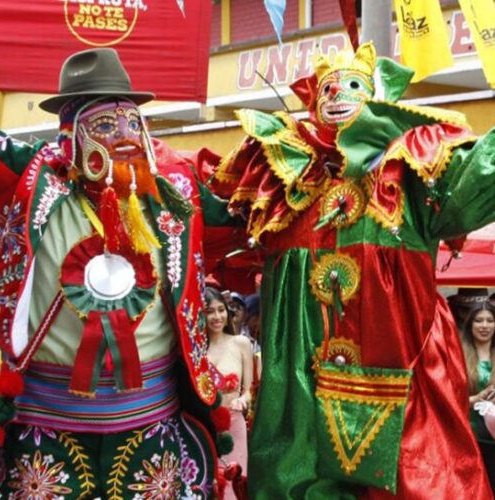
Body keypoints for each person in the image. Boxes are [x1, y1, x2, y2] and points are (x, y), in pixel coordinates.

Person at [212, 42, 495, 498]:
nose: (337, 95)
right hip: (299, 405)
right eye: (327, 88)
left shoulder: (411, 173)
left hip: (406, 387)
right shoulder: (284, 184)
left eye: (353, 85)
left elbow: (478, 179)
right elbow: (206, 215)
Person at [0, 48, 231, 498]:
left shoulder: (174, 194)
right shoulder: (32, 179)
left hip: (151, 424)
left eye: (132, 122)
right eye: (105, 124)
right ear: (71, 133)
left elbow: (253, 224)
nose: (123, 134)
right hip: (46, 423)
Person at [204, 287, 253, 500]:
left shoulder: (240, 343)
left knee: (235, 487)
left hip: (234, 425)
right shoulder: (194, 350)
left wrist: (243, 400)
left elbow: (249, 390)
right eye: (210, 311)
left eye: (221, 310)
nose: (217, 317)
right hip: (203, 427)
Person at [461, 302, 495, 493]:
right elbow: (448, 401)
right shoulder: (458, 355)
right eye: (479, 320)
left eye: (490, 321)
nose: (484, 325)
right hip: (469, 439)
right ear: (470, 325)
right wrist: (476, 399)